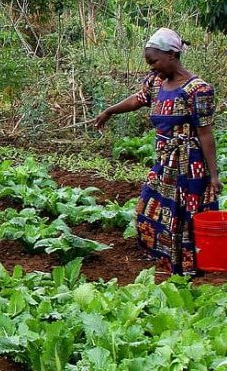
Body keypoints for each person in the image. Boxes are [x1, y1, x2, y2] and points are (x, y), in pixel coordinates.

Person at [95, 28, 222, 275]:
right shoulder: (155, 82)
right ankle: (166, 260)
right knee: (150, 209)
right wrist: (109, 111)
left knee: (184, 215)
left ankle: (188, 267)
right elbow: (138, 99)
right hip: (164, 161)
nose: (151, 67)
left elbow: (206, 133)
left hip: (189, 165)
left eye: (154, 61)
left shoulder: (198, 90)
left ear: (172, 55)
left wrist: (214, 175)